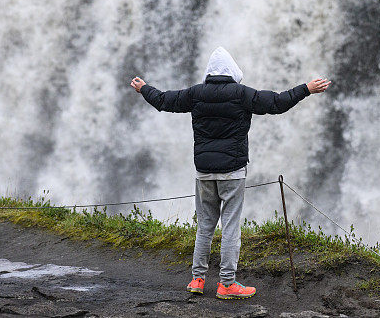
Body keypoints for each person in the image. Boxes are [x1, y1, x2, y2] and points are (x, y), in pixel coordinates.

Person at [130, 46, 330, 300]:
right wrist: (307, 89)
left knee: (205, 226)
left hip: (203, 172)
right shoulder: (241, 94)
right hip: (232, 173)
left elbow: (163, 101)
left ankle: (197, 279)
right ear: (232, 71)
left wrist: (143, 88)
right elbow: (278, 103)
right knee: (231, 227)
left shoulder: (196, 94)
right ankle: (227, 283)